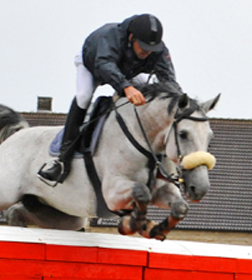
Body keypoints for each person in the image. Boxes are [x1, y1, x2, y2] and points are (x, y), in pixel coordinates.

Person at [38, 14, 180, 184]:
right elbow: (104, 65)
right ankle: (62, 160)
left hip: (126, 71)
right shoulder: (111, 37)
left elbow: (167, 79)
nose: (147, 52)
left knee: (151, 97)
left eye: (151, 49)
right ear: (130, 37)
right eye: (142, 46)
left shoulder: (158, 50)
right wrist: (126, 87)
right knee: (84, 96)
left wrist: (179, 101)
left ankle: (158, 163)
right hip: (93, 64)